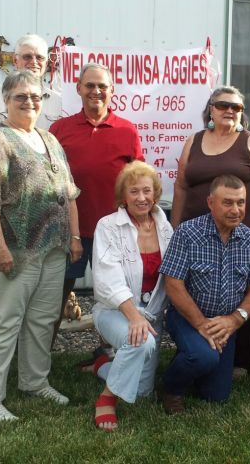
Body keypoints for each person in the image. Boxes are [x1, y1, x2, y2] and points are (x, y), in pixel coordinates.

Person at [0, 70, 82, 421]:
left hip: (52, 249)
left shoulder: (49, 139)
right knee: (2, 322)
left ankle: (35, 382)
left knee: (42, 320)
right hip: (13, 250)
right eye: (21, 96)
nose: (30, 102)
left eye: (36, 96)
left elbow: (68, 193)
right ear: (5, 100)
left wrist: (74, 237)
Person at [171, 86, 250, 375]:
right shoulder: (193, 141)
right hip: (196, 236)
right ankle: (195, 346)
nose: (229, 110)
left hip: (241, 236)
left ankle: (239, 359)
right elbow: (181, 187)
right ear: (210, 109)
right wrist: (174, 229)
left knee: (237, 293)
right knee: (195, 292)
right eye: (222, 105)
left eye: (236, 107)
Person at [49, 63, 144, 348]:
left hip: (114, 232)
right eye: (89, 85)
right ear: (78, 89)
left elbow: (138, 180)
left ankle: (109, 354)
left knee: (115, 296)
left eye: (102, 86)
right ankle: (41, 356)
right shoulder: (59, 129)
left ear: (112, 91)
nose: (96, 91)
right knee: (54, 297)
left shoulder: (127, 130)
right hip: (69, 231)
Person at [159, 175, 250, 413]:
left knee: (216, 396)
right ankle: (171, 388)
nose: (235, 210)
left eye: (241, 202)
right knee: (204, 357)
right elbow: (173, 284)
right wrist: (201, 325)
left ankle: (193, 359)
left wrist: (234, 320)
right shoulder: (187, 233)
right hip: (186, 318)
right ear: (210, 202)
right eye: (227, 202)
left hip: (225, 325)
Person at [90, 162, 173, 431]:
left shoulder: (165, 227)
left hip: (151, 315)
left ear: (155, 194)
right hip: (115, 311)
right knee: (140, 342)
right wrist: (135, 317)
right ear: (123, 196)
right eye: (134, 191)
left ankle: (103, 365)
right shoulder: (108, 226)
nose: (141, 197)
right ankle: (106, 399)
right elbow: (107, 279)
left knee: (141, 392)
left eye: (147, 191)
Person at [0, 34, 62, 131]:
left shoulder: (58, 102)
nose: (34, 62)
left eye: (39, 57)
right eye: (27, 57)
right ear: (15, 60)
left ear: (46, 63)